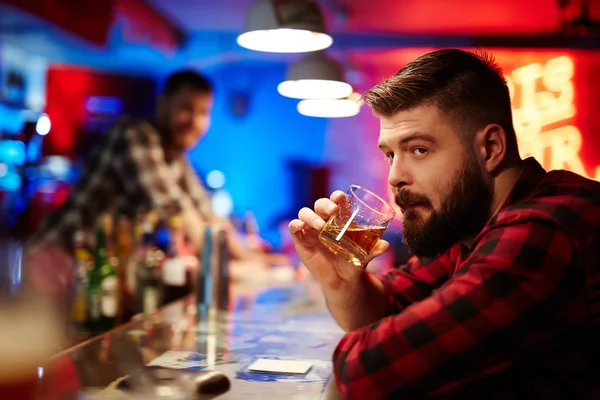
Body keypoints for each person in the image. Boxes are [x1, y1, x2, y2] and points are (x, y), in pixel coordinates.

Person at [289, 49, 600, 398]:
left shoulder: (544, 228)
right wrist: (342, 281)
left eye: (419, 149)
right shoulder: (472, 221)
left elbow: (366, 371)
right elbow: (386, 305)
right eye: (390, 154)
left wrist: (363, 349)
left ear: (490, 147)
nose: (394, 177)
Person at [24, 70, 285, 303]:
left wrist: (259, 261)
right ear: (162, 105)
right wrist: (256, 267)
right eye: (186, 108)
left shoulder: (175, 156)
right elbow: (179, 215)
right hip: (57, 264)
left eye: (203, 112)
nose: (194, 121)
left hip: (97, 277)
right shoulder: (133, 137)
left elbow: (211, 218)